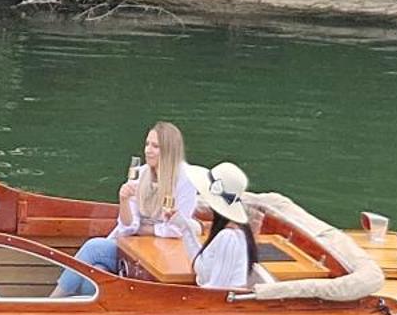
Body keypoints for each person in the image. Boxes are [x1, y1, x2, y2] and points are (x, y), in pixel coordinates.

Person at [52, 121, 203, 297]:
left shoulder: (185, 179)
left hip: (162, 254)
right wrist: (123, 200)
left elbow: (176, 228)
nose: (148, 150)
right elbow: (128, 228)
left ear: (169, 150)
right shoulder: (140, 173)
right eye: (147, 144)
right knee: (93, 278)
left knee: (93, 248)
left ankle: (52, 302)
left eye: (155, 146)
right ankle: (60, 310)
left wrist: (143, 229)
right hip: (129, 250)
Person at [193, 161, 260, 289]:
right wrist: (183, 225)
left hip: (218, 304)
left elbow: (217, 290)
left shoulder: (228, 237)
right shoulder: (235, 231)